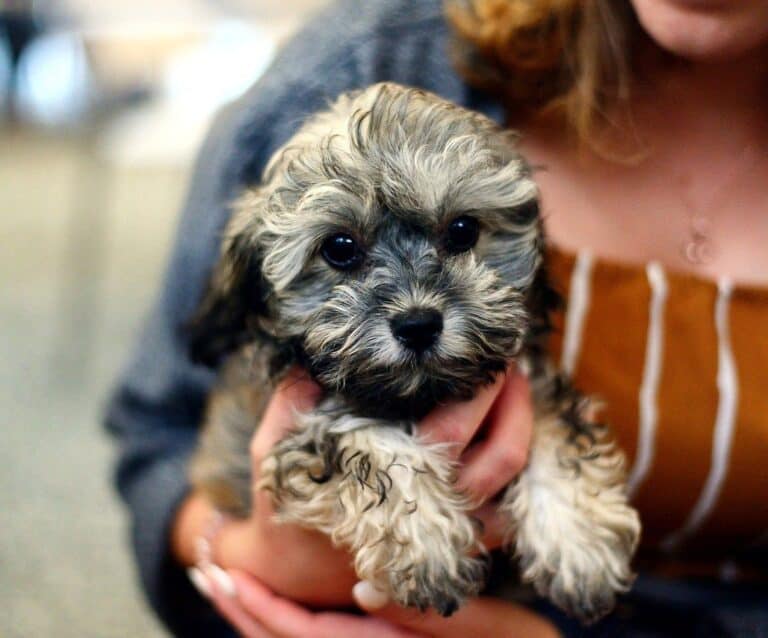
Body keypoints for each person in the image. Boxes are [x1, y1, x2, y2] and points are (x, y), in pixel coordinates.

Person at [105, 0, 768, 636]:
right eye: (343, 252)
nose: (415, 303)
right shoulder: (349, 61)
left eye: (458, 235)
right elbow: (155, 433)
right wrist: (242, 555)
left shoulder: (516, 333)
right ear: (256, 279)